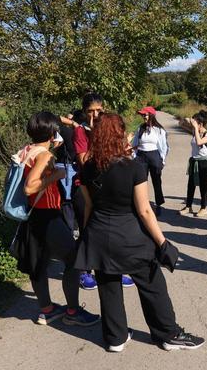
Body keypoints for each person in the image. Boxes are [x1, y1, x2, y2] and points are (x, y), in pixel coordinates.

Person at [73, 113, 205, 352]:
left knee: (108, 286)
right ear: (119, 134)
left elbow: (89, 208)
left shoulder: (88, 168)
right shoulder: (134, 167)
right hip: (130, 238)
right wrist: (162, 242)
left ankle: (115, 337)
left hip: (98, 235)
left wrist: (86, 237)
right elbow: (144, 211)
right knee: (152, 283)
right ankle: (168, 334)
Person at [22, 111, 100, 326]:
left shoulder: (26, 150)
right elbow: (30, 187)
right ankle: (73, 313)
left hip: (32, 216)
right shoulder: (44, 155)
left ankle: (47, 309)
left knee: (39, 263)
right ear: (52, 132)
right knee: (74, 260)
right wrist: (56, 175)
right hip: (48, 215)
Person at [72, 92, 134, 290]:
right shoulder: (81, 132)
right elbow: (83, 162)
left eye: (99, 110)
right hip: (86, 186)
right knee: (87, 227)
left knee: (114, 227)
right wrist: (94, 135)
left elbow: (120, 152)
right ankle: (84, 271)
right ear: (84, 112)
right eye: (91, 111)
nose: (95, 115)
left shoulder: (110, 126)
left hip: (109, 183)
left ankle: (116, 268)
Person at [131, 106, 169, 216]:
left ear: (151, 115)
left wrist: (162, 160)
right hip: (141, 156)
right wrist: (134, 156)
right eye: (142, 115)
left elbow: (163, 146)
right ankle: (140, 205)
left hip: (154, 155)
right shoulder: (140, 128)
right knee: (140, 182)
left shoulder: (159, 130)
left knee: (156, 181)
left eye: (145, 115)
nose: (143, 117)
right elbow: (134, 144)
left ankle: (158, 205)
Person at [180, 110, 207, 217]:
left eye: (196, 123)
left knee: (203, 186)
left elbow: (199, 142)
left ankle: (203, 208)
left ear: (201, 124)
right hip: (194, 161)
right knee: (191, 185)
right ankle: (188, 206)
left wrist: (195, 128)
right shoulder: (195, 131)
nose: (193, 125)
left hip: (204, 162)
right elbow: (182, 122)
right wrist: (190, 120)